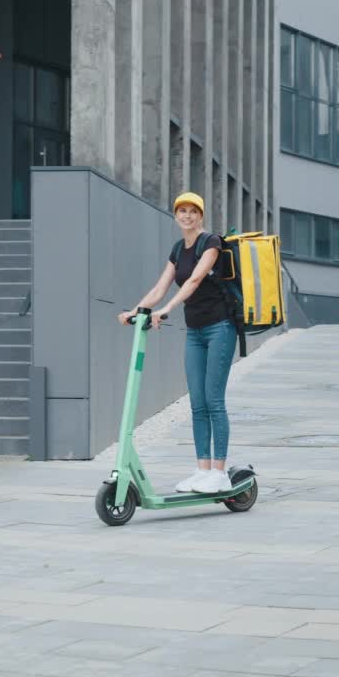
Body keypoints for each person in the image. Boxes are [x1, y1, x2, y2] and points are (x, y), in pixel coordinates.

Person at [117, 191, 236, 495]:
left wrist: (169, 309)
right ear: (175, 216)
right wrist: (136, 310)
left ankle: (219, 473)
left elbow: (195, 280)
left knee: (214, 400)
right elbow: (160, 286)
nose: (187, 216)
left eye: (192, 211)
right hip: (195, 332)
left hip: (220, 328)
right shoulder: (176, 249)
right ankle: (202, 470)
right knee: (197, 403)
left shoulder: (211, 242)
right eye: (181, 211)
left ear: (201, 216)